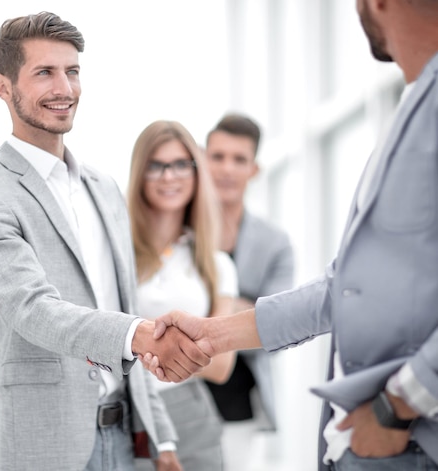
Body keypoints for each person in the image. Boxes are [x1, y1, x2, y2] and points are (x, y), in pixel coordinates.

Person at [146, 1, 438, 469]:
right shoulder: (411, 108)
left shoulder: (271, 241)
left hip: (407, 432)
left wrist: (395, 407)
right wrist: (213, 331)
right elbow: (339, 291)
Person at [0, 12, 209, 471]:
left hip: (126, 436)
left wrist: (162, 437)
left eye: (72, 71)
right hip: (42, 442)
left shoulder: (104, 188)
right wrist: (138, 334)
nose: (64, 89)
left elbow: (128, 307)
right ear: (3, 87)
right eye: (44, 72)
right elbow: (33, 310)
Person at [127, 120, 238, 470]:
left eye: (180, 164)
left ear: (195, 172)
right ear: (139, 173)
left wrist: (141, 341)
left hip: (192, 414)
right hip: (131, 413)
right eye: (156, 165)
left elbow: (221, 366)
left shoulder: (216, 265)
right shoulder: (116, 256)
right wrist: (188, 342)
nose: (168, 176)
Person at [204, 113, 294, 470]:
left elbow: (279, 324)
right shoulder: (174, 232)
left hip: (240, 405)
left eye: (239, 159)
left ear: (254, 169)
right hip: (177, 394)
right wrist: (244, 306)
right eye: (218, 156)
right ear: (202, 158)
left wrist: (212, 303)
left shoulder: (275, 244)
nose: (227, 169)